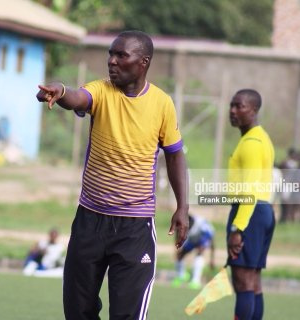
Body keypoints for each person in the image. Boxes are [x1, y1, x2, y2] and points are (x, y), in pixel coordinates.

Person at [36, 30, 189, 320]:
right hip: (89, 221)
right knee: (78, 311)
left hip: (134, 228)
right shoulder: (101, 91)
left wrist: (183, 206)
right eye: (110, 54)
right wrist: (62, 91)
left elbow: (175, 154)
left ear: (143, 62)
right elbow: (79, 98)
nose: (112, 61)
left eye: (121, 55)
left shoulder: (162, 104)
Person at [226, 89, 275, 320]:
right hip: (262, 211)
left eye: (239, 106)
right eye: (231, 106)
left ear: (254, 110)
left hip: (250, 213)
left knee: (243, 280)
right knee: (253, 281)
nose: (233, 111)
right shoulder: (259, 137)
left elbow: (250, 189)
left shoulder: (252, 142)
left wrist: (238, 228)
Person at [171, 214, 215, 289]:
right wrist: (177, 249)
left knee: (199, 253)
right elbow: (177, 235)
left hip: (203, 238)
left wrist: (212, 259)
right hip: (192, 239)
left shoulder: (202, 225)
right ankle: (181, 276)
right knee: (180, 255)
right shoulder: (182, 223)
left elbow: (212, 241)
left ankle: (195, 281)